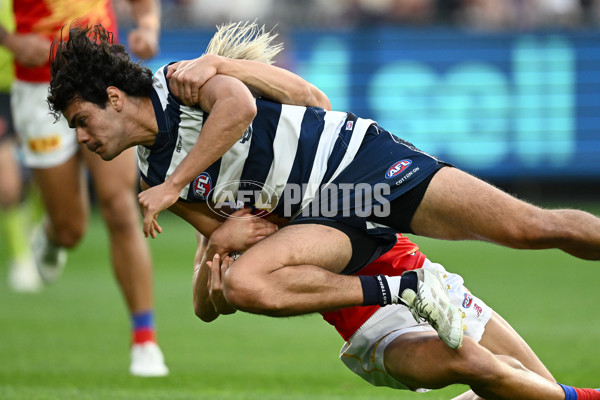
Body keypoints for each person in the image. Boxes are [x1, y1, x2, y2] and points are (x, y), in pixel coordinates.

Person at [47, 23, 600, 349]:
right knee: (246, 283)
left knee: (529, 228)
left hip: (360, 166)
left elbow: (238, 107)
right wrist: (214, 274)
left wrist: (176, 186)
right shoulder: (152, 171)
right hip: (319, 216)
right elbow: (223, 235)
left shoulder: (179, 81)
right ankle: (407, 293)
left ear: (114, 99)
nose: (82, 137)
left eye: (81, 120)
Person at [197, 210, 600, 400]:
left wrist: (225, 69)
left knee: (529, 393)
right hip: (376, 325)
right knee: (477, 364)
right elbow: (207, 306)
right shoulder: (232, 204)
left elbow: (307, 94)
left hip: (431, 283)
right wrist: (218, 243)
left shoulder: (308, 150)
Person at [0, 0, 167, 376]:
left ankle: (145, 339)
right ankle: (52, 235)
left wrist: (148, 25)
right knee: (71, 228)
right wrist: (11, 41)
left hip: (101, 73)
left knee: (120, 205)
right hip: (36, 83)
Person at [0, 0, 41, 293]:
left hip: (36, 85)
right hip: (2, 92)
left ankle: (37, 232)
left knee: (48, 175)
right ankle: (22, 259)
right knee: (8, 183)